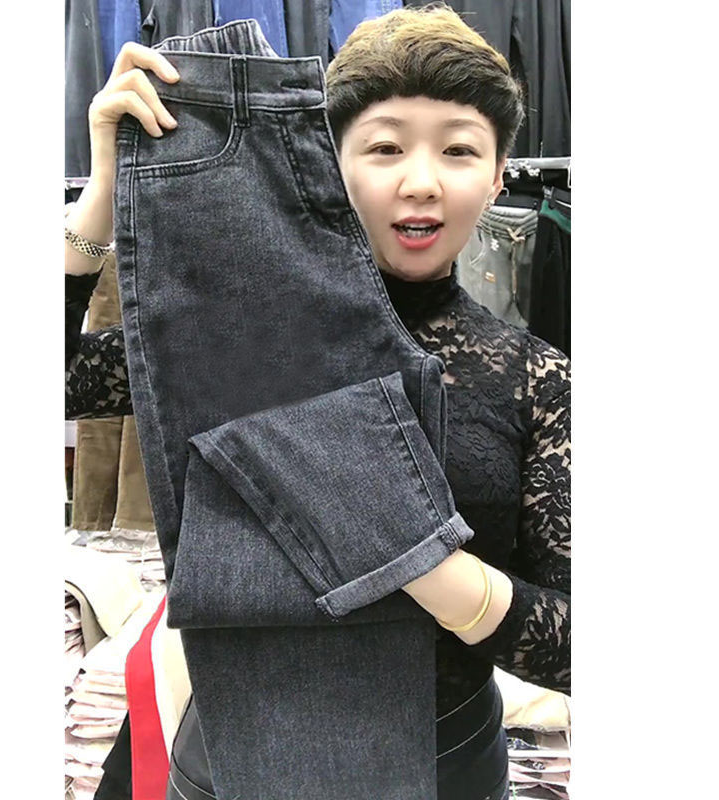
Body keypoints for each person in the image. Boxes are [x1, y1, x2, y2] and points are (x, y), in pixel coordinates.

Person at [65, 5, 570, 799]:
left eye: (460, 150)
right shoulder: (231, 334)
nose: (421, 182)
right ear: (329, 166)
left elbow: (577, 644)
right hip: (235, 756)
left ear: (500, 174)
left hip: (446, 766)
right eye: (386, 147)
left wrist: (429, 571)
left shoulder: (534, 378)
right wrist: (100, 199)